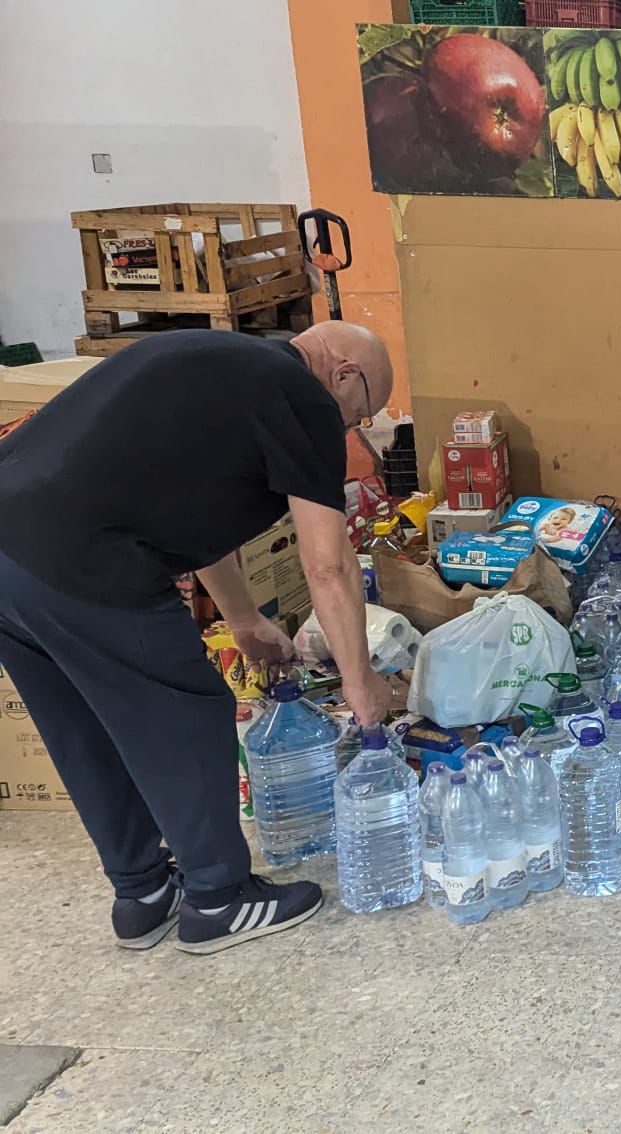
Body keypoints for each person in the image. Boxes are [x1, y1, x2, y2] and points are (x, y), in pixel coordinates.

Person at [0, 325, 394, 955]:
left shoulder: (220, 362)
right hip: (84, 556)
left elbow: (194, 514)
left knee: (84, 727)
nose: (351, 428)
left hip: (8, 546)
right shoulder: (302, 398)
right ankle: (217, 899)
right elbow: (329, 564)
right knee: (186, 707)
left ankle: (142, 894)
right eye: (361, 413)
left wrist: (243, 619)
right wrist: (359, 682)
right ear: (344, 373)